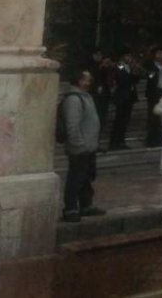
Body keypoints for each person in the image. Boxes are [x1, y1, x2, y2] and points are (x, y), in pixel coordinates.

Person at [61, 70, 105, 223]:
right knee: (76, 178)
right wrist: (79, 144)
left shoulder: (87, 97)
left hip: (89, 147)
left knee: (86, 177)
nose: (89, 82)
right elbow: (72, 125)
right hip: (80, 148)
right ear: (79, 81)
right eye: (87, 79)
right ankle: (70, 208)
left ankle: (86, 205)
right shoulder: (73, 99)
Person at [143, 47, 162, 147]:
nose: (161, 56)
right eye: (158, 53)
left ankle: (161, 139)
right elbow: (150, 76)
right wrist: (158, 67)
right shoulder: (150, 65)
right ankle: (151, 140)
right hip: (154, 94)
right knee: (153, 118)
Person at [108, 52, 139, 150]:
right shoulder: (120, 66)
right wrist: (131, 75)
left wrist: (135, 71)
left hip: (129, 96)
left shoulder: (129, 67)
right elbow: (121, 80)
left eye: (130, 56)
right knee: (119, 120)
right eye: (128, 56)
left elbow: (135, 80)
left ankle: (121, 141)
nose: (130, 58)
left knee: (125, 120)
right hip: (122, 96)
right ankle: (114, 142)